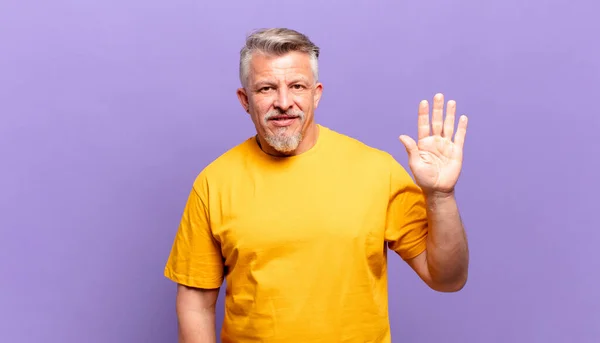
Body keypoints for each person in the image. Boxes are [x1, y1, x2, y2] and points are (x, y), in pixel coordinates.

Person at [164, 27, 469, 343]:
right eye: (266, 88)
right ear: (245, 99)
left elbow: (447, 278)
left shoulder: (377, 171)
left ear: (316, 93)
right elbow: (195, 303)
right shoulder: (214, 183)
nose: (284, 102)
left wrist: (441, 195)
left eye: (297, 86)